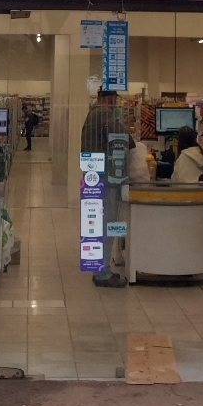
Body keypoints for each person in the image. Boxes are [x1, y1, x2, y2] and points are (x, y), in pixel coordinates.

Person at [80, 91, 130, 288]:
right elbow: (122, 137)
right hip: (105, 176)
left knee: (96, 224)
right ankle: (102, 273)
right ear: (110, 99)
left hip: (92, 174)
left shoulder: (92, 113)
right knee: (106, 223)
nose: (116, 103)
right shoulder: (104, 114)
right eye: (115, 100)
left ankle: (98, 269)